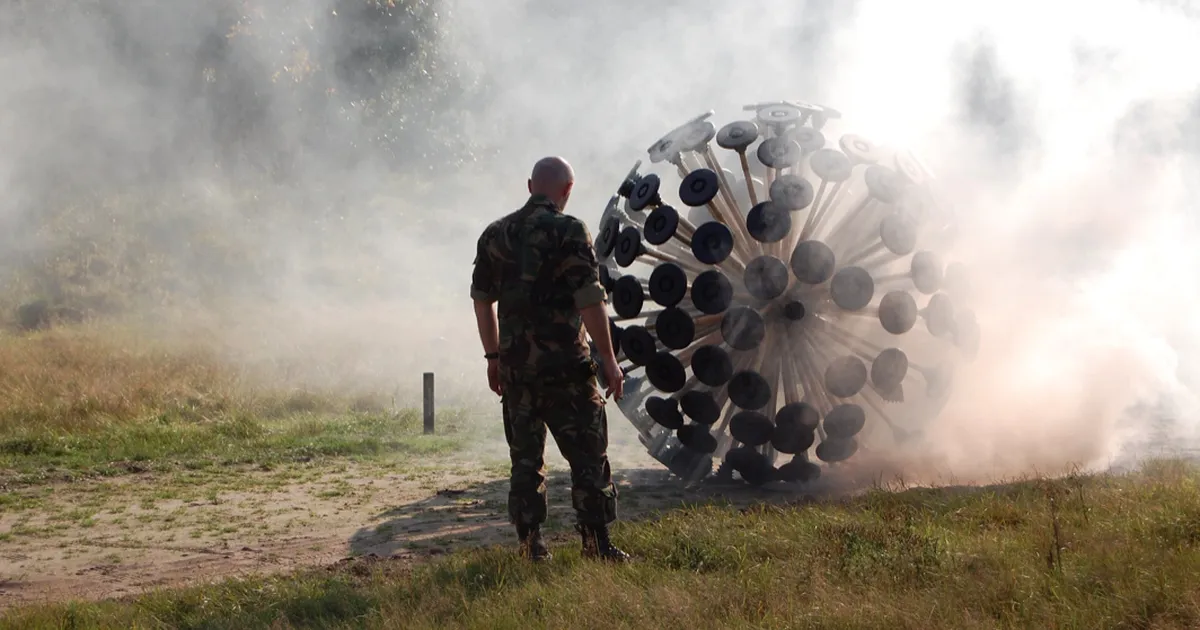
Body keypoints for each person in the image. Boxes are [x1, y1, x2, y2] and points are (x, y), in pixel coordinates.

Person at [469, 156, 630, 563]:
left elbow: (481, 299)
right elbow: (590, 299)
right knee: (589, 458)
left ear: (529, 186)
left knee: (525, 461)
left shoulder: (494, 234)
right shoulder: (570, 230)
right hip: (567, 371)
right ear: (567, 191)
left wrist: (493, 357)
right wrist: (609, 359)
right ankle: (596, 545)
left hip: (517, 371)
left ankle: (531, 546)